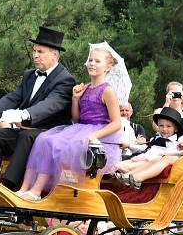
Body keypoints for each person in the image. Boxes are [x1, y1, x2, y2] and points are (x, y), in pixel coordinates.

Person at [15, 43, 126, 201]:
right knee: (43, 139)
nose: (92, 64)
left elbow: (116, 123)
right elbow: (76, 118)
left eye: (97, 61)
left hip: (98, 133)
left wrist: (94, 135)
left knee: (58, 143)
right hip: (80, 127)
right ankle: (25, 187)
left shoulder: (107, 90)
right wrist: (75, 99)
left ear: (107, 67)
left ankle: (37, 191)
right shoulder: (85, 88)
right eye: (90, 60)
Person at [0, 26, 76, 190]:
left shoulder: (65, 79)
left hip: (51, 134)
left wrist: (23, 114)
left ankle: (9, 187)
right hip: (27, 131)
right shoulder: (29, 75)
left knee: (26, 136)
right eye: (34, 51)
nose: (35, 55)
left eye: (40, 51)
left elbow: (50, 105)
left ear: (54, 54)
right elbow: (15, 97)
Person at [114, 104, 183, 189]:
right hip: (163, 155)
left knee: (162, 158)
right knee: (155, 159)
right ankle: (130, 175)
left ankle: (136, 177)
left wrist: (167, 152)